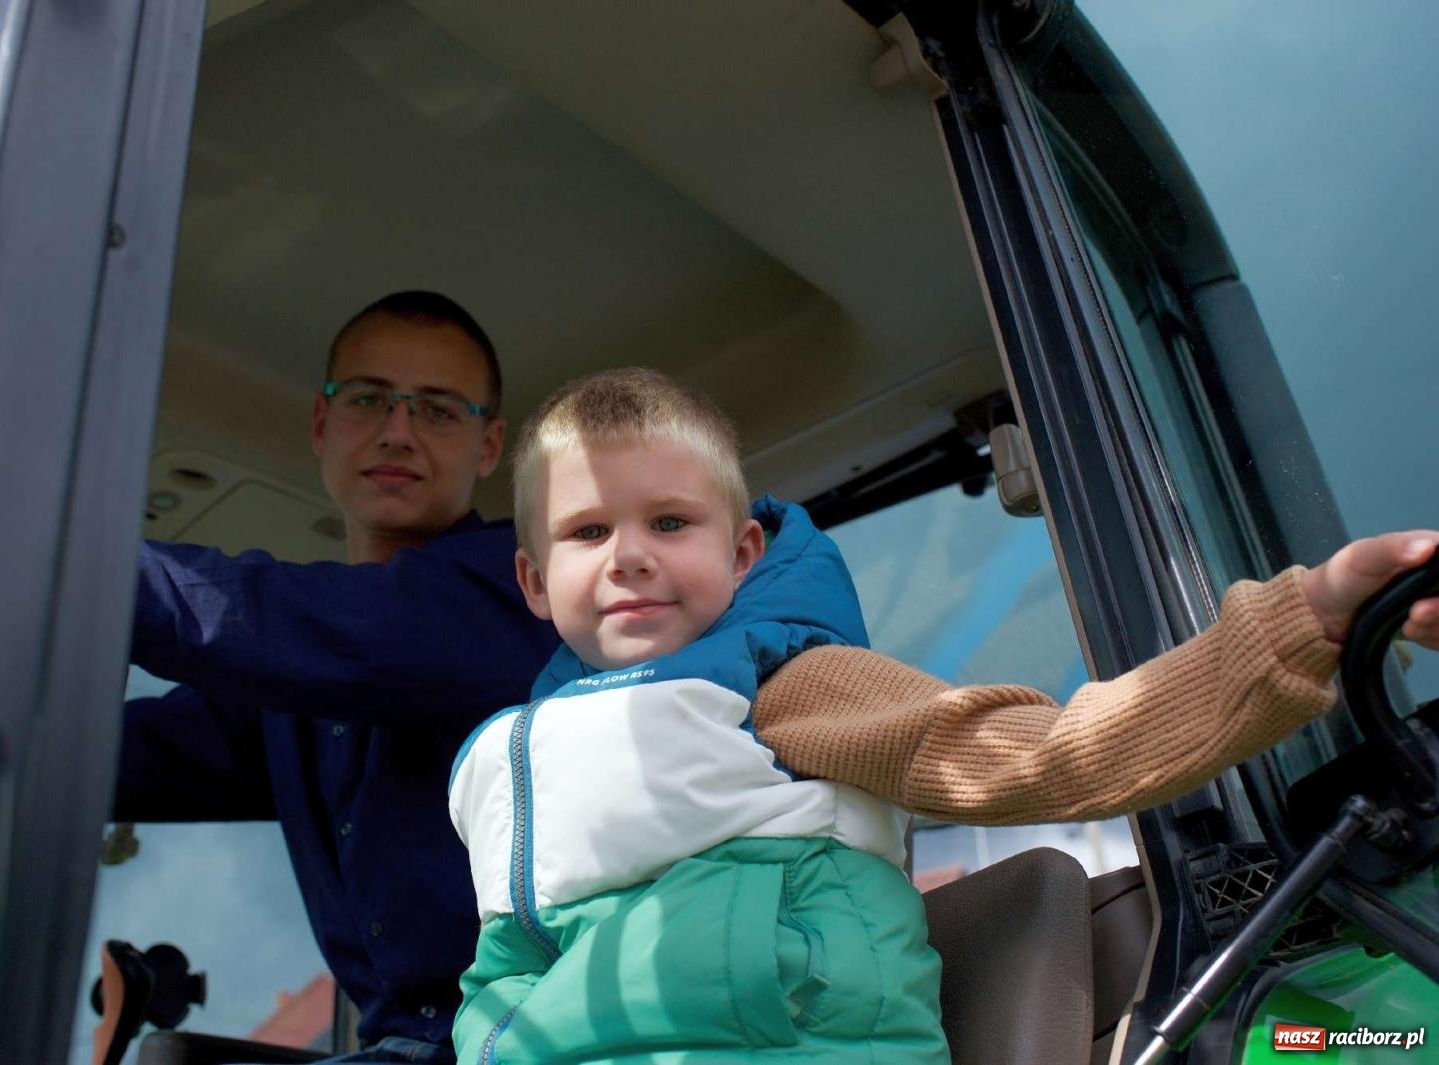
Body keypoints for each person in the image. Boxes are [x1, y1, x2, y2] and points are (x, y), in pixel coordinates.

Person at [446, 367, 1439, 1063]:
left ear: (743, 553)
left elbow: (1056, 759)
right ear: (534, 581)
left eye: (669, 522)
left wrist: (1304, 617)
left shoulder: (788, 689)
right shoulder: (506, 767)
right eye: (588, 531)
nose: (627, 555)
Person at [114, 292, 561, 1063]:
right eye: (369, 399)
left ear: (490, 447)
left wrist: (59, 549)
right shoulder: (299, 689)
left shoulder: (521, 590)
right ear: (322, 424)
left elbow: (316, 628)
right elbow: (106, 755)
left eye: (438, 410)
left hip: (529, 1042)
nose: (398, 430)